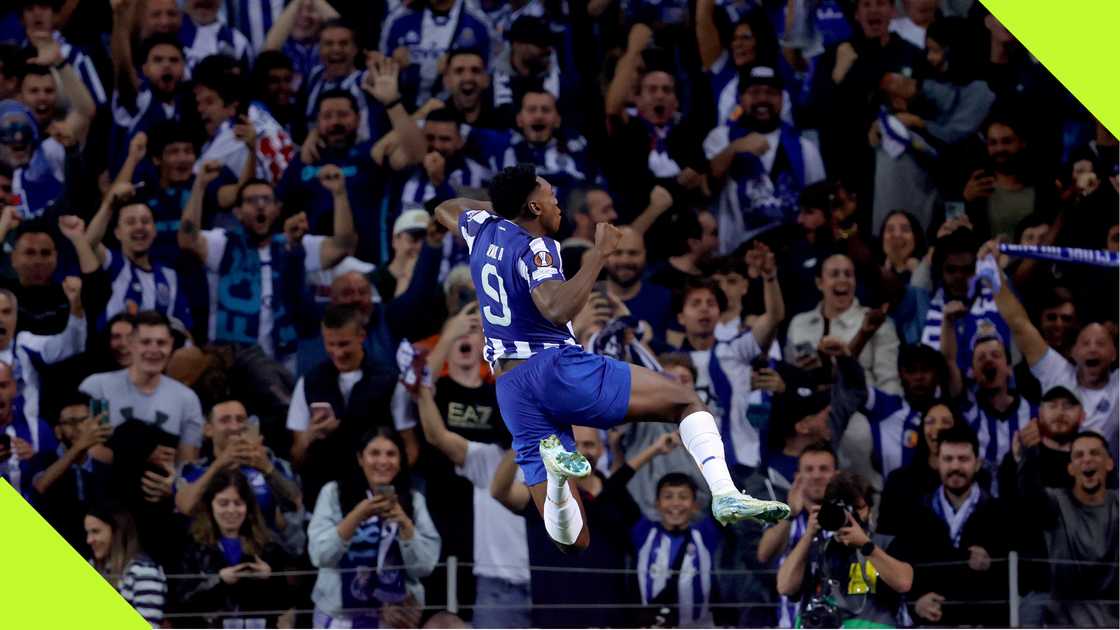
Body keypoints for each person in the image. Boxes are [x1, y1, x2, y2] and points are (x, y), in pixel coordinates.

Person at [434, 165, 789, 554]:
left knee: (572, 540)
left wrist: (503, 206)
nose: (558, 205)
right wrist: (600, 253)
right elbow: (555, 308)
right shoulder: (537, 246)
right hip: (554, 369)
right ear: (533, 206)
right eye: (550, 197)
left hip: (512, 389)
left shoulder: (482, 230)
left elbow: (446, 208)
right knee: (686, 401)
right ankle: (724, 492)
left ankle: (556, 481)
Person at [179, 163, 356, 369]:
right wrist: (199, 187)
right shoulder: (224, 243)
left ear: (277, 209)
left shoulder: (294, 243)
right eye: (251, 201)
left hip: (281, 361)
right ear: (237, 212)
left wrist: (340, 194)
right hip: (230, 360)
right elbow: (187, 239)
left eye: (266, 200)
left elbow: (343, 246)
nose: (260, 205)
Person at [413, 372, 530, 628]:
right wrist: (421, 388)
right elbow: (437, 436)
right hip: (498, 587)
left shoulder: (558, 455)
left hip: (549, 583)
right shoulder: (486, 457)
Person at [985, 237, 1119, 454]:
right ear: (1073, 352)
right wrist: (992, 270)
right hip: (1053, 479)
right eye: (1086, 343)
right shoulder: (1057, 373)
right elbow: (1018, 323)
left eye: (1101, 343)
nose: (1093, 348)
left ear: (1114, 354)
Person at [307, 427, 441, 628]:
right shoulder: (334, 494)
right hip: (340, 619)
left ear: (400, 461)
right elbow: (320, 555)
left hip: (393, 619)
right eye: (374, 453)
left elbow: (424, 567)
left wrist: (405, 524)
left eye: (391, 454)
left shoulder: (414, 500)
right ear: (360, 458)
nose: (383, 462)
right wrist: (356, 516)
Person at [288, 304, 403, 508]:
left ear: (361, 336)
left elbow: (409, 446)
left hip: (378, 497)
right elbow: (296, 456)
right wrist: (310, 435)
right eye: (330, 344)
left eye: (344, 344)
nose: (337, 352)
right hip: (323, 497)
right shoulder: (308, 382)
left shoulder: (390, 381)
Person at [705, 66, 826, 247]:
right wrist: (734, 149)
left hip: (792, 252)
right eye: (754, 92)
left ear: (782, 98)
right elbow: (706, 187)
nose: (763, 99)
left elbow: (819, 207)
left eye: (771, 93)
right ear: (740, 98)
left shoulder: (805, 148)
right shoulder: (720, 138)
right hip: (735, 253)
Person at [776, 471, 916, 627]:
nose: (850, 516)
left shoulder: (884, 544)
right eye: (843, 509)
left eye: (857, 508)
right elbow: (784, 586)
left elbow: (904, 582)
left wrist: (866, 546)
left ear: (869, 510)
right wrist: (808, 536)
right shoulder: (816, 546)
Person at [1014, 431, 1119, 627]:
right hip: (1064, 622)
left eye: (1095, 453)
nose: (1087, 460)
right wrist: (1028, 456)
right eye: (1079, 455)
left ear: (1109, 463)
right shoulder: (1056, 503)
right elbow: (1029, 493)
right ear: (1070, 468)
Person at [908, 423, 1008, 627]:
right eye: (948, 459)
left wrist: (993, 564)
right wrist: (915, 602)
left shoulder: (999, 513)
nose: (955, 467)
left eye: (963, 459)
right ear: (937, 462)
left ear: (977, 463)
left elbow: (1019, 575)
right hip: (931, 624)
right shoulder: (917, 513)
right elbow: (901, 567)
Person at [175, 399, 304, 555]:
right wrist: (219, 465)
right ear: (208, 429)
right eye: (225, 420)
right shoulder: (194, 470)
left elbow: (295, 502)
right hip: (210, 560)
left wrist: (267, 468)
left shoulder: (273, 464)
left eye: (240, 419)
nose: (235, 426)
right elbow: (185, 506)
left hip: (268, 557)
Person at [79, 311, 204, 463]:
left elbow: (186, 465)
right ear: (131, 344)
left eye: (161, 343)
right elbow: (90, 452)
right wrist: (140, 457)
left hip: (162, 485)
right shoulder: (98, 386)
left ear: (171, 344)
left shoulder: (187, 399)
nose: (153, 350)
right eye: (145, 342)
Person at [173, 469, 290, 628]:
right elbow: (183, 599)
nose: (231, 510)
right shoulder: (194, 546)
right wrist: (219, 581)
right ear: (210, 505)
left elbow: (284, 604)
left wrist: (269, 578)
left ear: (248, 506)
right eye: (223, 503)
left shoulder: (268, 546)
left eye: (238, 503)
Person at [785, 253, 901, 393]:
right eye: (834, 274)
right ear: (819, 283)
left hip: (860, 410)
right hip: (808, 409)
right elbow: (789, 377)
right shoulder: (798, 324)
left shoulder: (875, 321)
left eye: (848, 274)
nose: (843, 280)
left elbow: (889, 381)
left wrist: (890, 412)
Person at [632, 472, 721, 627]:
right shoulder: (644, 533)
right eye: (668, 497)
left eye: (683, 497)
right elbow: (615, 490)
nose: (675, 503)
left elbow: (724, 489)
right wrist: (654, 450)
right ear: (657, 503)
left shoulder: (706, 533)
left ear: (695, 505)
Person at [31, 390, 113, 553]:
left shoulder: (104, 469)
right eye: (70, 422)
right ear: (57, 431)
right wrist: (79, 447)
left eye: (84, 421)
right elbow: (40, 487)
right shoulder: (43, 461)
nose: (78, 428)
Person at [0, 277, 85, 428]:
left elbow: (70, 345)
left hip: (27, 436)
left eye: (6, 312)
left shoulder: (24, 344)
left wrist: (75, 307)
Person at [85, 506, 167, 627]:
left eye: (96, 531)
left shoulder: (144, 572)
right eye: (87, 533)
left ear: (117, 531)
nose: (89, 540)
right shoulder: (93, 566)